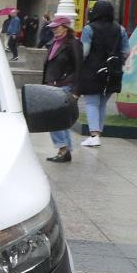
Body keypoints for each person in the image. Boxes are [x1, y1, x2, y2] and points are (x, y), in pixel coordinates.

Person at [78, 0, 127, 149]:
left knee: (92, 103)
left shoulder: (89, 29)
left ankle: (94, 135)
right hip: (113, 71)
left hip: (92, 71)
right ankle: (98, 134)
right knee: (103, 103)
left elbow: (84, 52)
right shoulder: (120, 29)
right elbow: (126, 51)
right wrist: (118, 62)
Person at [42, 14, 82, 164]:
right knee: (60, 120)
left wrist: (76, 91)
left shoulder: (73, 44)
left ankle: (63, 149)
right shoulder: (54, 43)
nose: (54, 30)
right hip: (52, 86)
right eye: (52, 28)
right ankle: (65, 150)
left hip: (65, 86)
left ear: (65, 28)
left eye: (56, 27)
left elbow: (79, 67)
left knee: (53, 119)